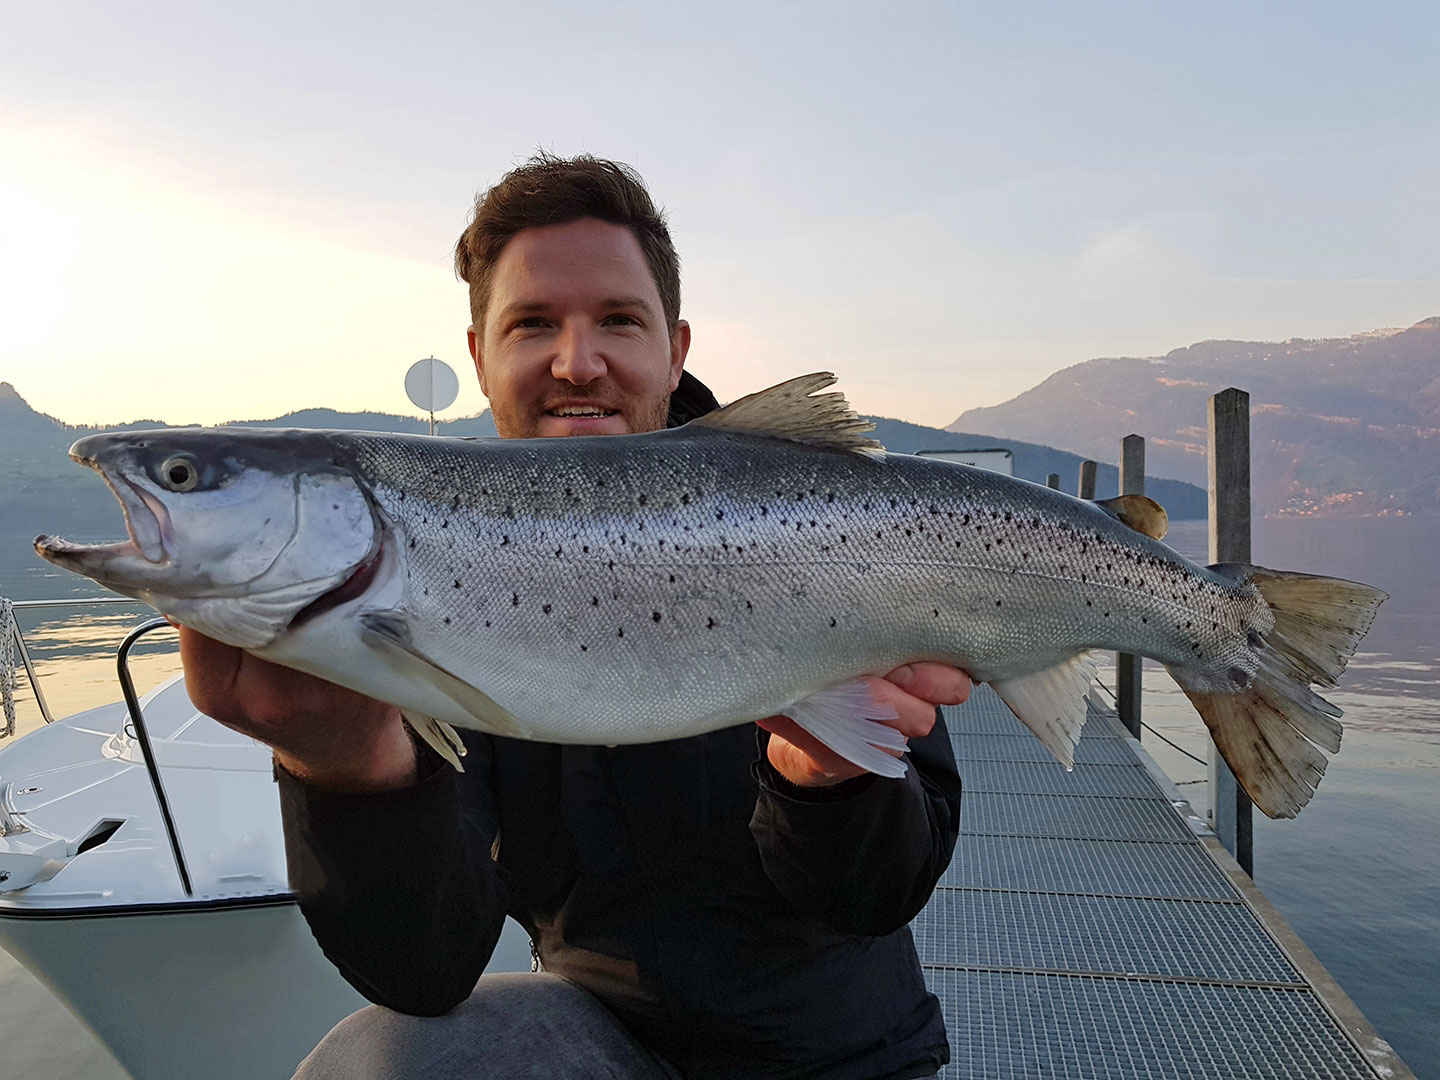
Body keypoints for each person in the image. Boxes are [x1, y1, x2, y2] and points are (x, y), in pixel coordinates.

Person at [178, 154, 971, 1079]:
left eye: (618, 321)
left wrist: (825, 784)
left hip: (845, 1059)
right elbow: (426, 971)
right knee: (380, 1060)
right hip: (595, 1044)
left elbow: (879, 899)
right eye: (533, 324)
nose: (576, 361)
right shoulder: (422, 580)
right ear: (480, 357)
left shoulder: (828, 526)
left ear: (675, 350)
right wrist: (348, 769)